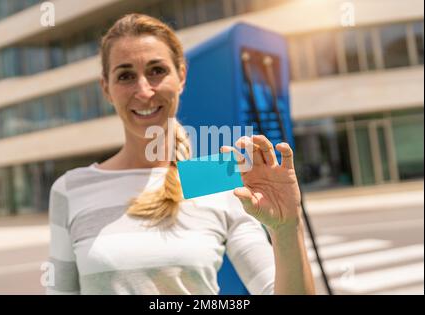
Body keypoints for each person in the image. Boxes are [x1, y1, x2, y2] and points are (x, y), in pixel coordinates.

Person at [46, 13, 315, 295]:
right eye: (125, 75)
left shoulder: (217, 176)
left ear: (181, 77)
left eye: (156, 70)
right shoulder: (71, 189)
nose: (144, 90)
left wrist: (286, 228)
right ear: (107, 89)